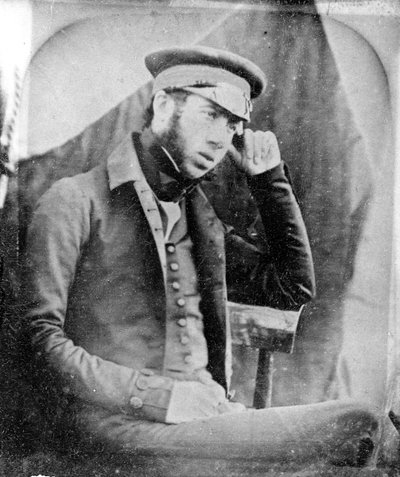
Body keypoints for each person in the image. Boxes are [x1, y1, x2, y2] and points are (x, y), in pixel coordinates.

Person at [21, 46, 379, 466]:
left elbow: (291, 288)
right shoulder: (75, 200)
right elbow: (38, 340)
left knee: (363, 427)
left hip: (203, 421)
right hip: (112, 426)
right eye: (210, 114)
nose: (220, 138)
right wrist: (160, 397)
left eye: (233, 125)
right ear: (163, 105)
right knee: (359, 424)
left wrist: (269, 182)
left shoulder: (201, 221)